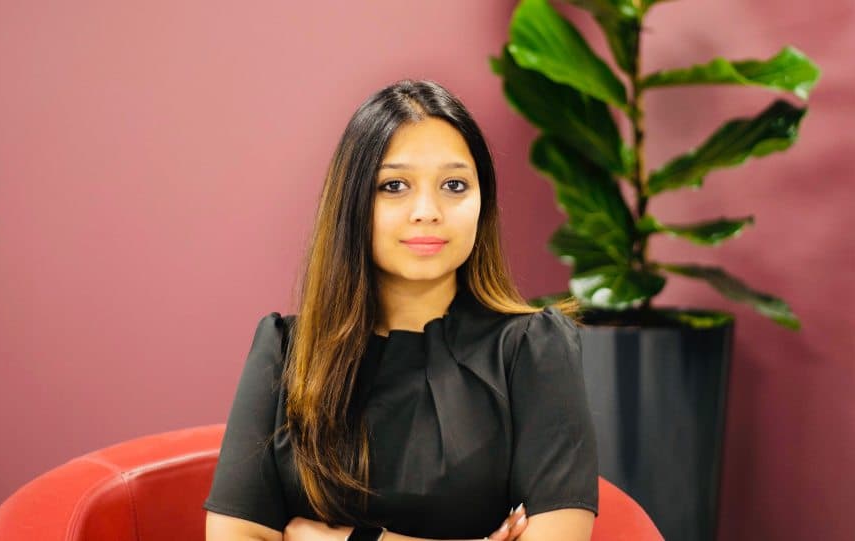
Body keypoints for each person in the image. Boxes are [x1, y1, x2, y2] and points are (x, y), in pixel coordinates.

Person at [203, 80, 598, 541]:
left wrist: (352, 539)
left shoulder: (536, 349)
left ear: (482, 202)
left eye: (454, 185)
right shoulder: (284, 350)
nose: (427, 211)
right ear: (353, 204)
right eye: (394, 186)